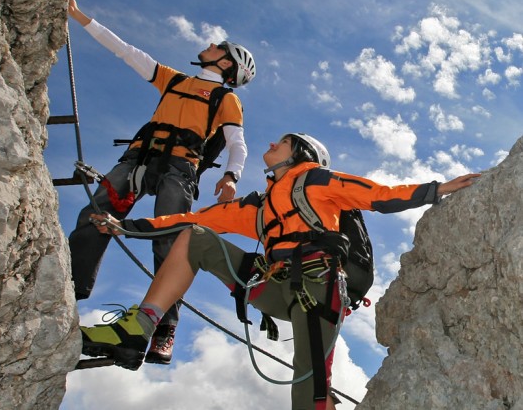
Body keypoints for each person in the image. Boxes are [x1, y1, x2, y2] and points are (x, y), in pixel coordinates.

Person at [79, 132, 480, 410]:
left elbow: (377, 195)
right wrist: (124, 226)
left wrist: (438, 189)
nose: (271, 143)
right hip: (273, 284)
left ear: (300, 153)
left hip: (318, 288)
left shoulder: (317, 180)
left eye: (282, 141)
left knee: (310, 390)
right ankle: (141, 327)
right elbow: (192, 219)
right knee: (196, 237)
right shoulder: (260, 206)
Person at [66, 0, 256, 364]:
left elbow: (237, 144)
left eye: (218, 45)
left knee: (169, 243)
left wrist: (232, 176)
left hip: (179, 169)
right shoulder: (175, 80)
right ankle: (69, 289)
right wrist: (79, 17)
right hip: (139, 159)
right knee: (95, 214)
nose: (211, 44)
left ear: (225, 62)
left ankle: (164, 328)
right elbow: (126, 52)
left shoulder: (225, 98)